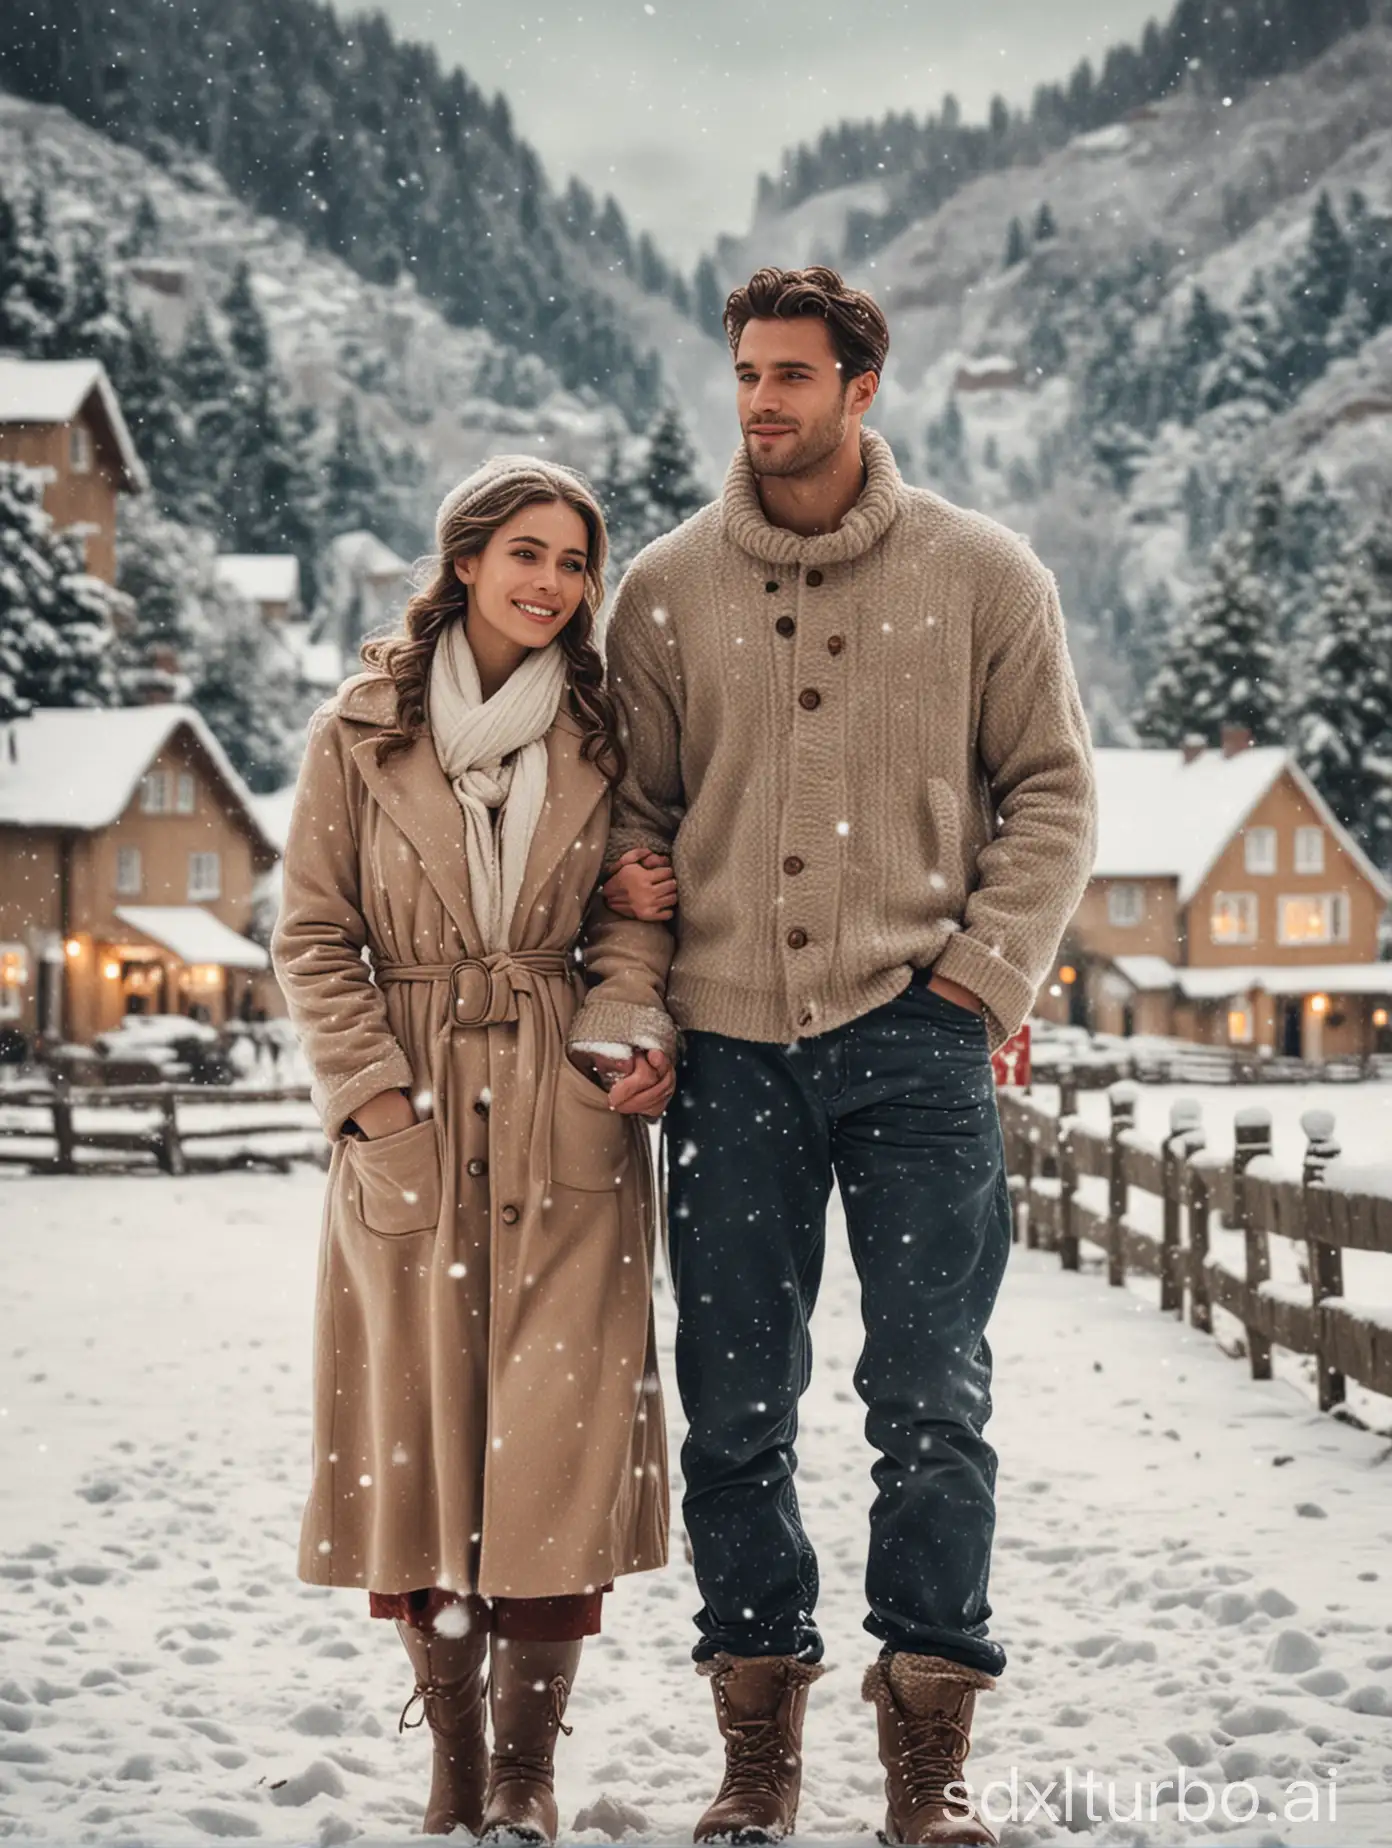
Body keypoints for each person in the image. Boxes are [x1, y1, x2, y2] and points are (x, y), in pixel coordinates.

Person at [588, 267, 1099, 1847]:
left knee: (931, 1398)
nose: (763, 401)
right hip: (731, 1060)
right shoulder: (664, 592)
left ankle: (928, 1754)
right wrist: (644, 995)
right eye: (746, 372)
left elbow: (1055, 798)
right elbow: (637, 823)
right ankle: (757, 1746)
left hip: (918, 1048)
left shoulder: (984, 575)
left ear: (863, 389)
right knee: (736, 1409)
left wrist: (975, 985)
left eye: (795, 375)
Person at [271, 456, 676, 1845]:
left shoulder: (603, 732)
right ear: (465, 561)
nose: (552, 583)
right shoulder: (361, 731)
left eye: (574, 561)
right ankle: (451, 1761)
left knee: (554, 1447)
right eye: (526, 552)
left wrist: (614, 1028)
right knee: (418, 1442)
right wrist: (375, 1101)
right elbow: (312, 933)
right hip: (413, 1107)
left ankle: (525, 1772)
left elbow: (637, 918)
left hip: (559, 1105)